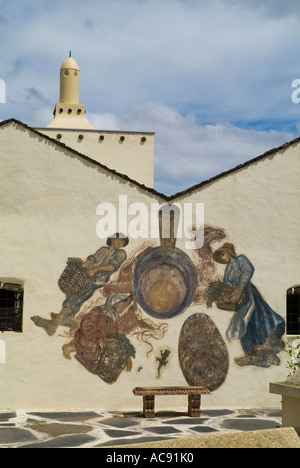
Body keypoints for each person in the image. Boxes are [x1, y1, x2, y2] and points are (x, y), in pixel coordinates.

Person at [31, 233, 129, 336]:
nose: (119, 243)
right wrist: (83, 266)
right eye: (118, 240)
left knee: (76, 297)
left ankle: (54, 324)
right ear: (112, 240)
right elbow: (92, 259)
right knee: (73, 293)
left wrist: (96, 269)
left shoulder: (121, 253)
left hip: (97, 279)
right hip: (85, 276)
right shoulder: (103, 249)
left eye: (122, 242)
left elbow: (113, 266)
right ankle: (69, 319)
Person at [212, 243, 285, 367]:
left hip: (249, 294)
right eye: (220, 256)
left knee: (258, 317)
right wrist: (223, 294)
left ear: (229, 252)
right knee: (243, 323)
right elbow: (227, 284)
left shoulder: (241, 260)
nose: (222, 258)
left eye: (222, 254)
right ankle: (252, 353)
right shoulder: (228, 268)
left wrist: (240, 288)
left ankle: (268, 343)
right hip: (240, 300)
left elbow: (248, 271)